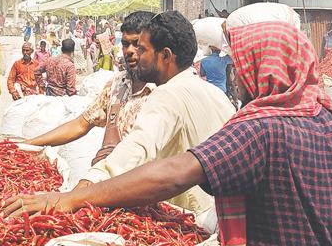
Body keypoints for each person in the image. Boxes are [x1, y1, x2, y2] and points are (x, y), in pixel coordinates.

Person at [5, 21, 332, 246]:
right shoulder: (331, 115)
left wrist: (72, 198)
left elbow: (176, 173)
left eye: (241, 63)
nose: (235, 72)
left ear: (262, 65)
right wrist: (326, 205)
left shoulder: (265, 126)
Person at [47, 11, 236, 214]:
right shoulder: (219, 96)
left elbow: (135, 150)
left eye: (143, 49)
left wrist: (74, 197)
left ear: (165, 56)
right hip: (220, 219)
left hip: (189, 220)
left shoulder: (167, 94)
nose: (135, 53)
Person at [28, 11, 156, 163]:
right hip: (108, 176)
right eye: (125, 44)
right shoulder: (117, 85)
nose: (129, 50)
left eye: (137, 44)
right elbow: (80, 124)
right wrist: (29, 144)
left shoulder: (161, 91)